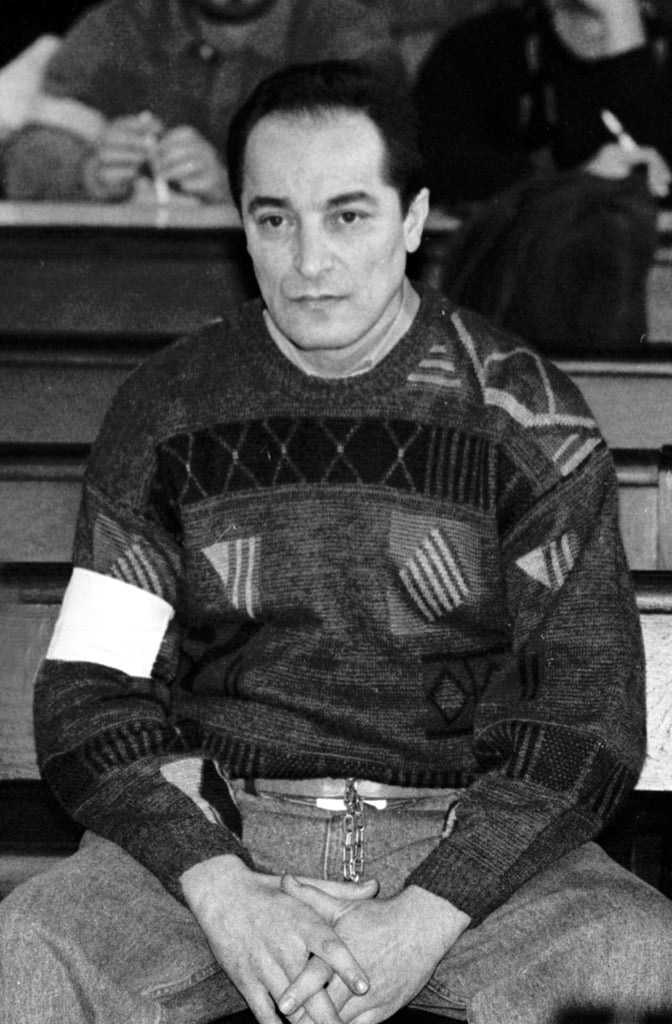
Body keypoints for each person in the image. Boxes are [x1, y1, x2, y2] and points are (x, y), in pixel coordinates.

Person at [1, 58, 671, 1024]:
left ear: (413, 219)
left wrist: (428, 914)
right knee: (29, 950)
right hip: (220, 828)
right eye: (275, 219)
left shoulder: (526, 418)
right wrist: (220, 886)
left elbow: (587, 707)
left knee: (637, 959)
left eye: (348, 216)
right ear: (242, 224)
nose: (308, 261)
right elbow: (89, 692)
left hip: (467, 847)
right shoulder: (166, 407)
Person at [0, 0, 399, 203]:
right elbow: (25, 163)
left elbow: (372, 173)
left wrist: (236, 187)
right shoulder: (122, 23)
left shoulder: (342, 33)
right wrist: (89, 172)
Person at [414, 0, 672, 210]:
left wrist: (622, 20)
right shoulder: (477, 46)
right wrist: (572, 185)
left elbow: (659, 177)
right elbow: (437, 164)